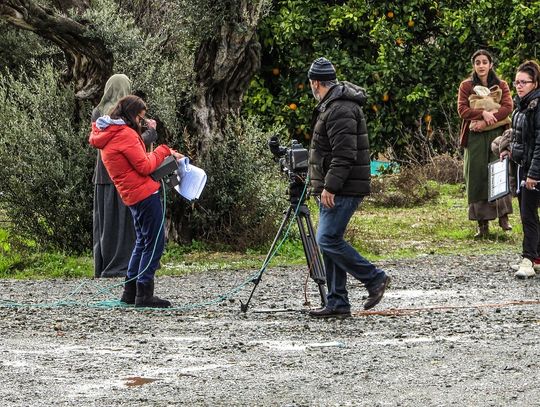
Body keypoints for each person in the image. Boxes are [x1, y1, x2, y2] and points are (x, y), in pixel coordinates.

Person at [306, 57, 390, 318]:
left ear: (316, 82)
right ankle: (337, 301)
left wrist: (329, 186)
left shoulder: (339, 108)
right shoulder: (332, 105)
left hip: (343, 187)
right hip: (337, 186)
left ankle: (374, 278)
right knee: (331, 240)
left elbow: (344, 154)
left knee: (327, 238)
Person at [89, 95, 183, 307]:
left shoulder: (109, 133)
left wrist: (145, 134)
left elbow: (136, 156)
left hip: (130, 195)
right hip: (144, 194)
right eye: (140, 118)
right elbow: (145, 166)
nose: (141, 122)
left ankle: (130, 291)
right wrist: (164, 150)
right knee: (154, 243)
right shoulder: (124, 135)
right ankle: (144, 293)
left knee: (141, 240)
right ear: (132, 115)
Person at [91, 74, 158, 278]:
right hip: (125, 175)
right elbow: (131, 145)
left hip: (102, 173)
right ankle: (127, 264)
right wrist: (151, 134)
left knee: (106, 222)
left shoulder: (98, 112)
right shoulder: (125, 114)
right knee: (128, 223)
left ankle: (105, 264)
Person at [458, 50, 514, 238]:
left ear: (491, 64)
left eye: (484, 62)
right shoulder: (466, 86)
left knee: (498, 171)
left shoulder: (501, 85)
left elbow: (508, 107)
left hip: (497, 135)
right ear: (473, 66)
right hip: (474, 136)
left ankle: (503, 216)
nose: (481, 65)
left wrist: (488, 121)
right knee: (477, 174)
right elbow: (462, 110)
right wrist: (482, 113)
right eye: (477, 62)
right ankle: (482, 224)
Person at [508, 60, 540, 278]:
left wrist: (533, 174)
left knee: (528, 215)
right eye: (516, 82)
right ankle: (536, 256)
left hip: (533, 171)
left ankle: (528, 259)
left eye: (524, 82)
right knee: (528, 214)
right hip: (523, 167)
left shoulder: (536, 106)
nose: (519, 86)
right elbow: (519, 138)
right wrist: (508, 151)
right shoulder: (521, 105)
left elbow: (539, 142)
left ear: (535, 83)